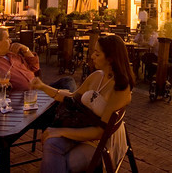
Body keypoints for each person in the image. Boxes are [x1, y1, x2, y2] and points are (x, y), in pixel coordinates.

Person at [34, 35, 135, 172]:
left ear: (110, 58)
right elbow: (72, 97)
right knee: (51, 143)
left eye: (97, 53)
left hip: (102, 143)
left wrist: (60, 130)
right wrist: (42, 86)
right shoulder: (97, 76)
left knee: (62, 162)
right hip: (82, 129)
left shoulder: (120, 88)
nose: (92, 56)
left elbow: (100, 132)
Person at [0, 27, 75, 93]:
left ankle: (71, 108)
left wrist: (27, 51)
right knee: (69, 97)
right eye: (7, 38)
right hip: (22, 100)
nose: (10, 41)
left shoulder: (12, 55)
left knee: (67, 81)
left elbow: (35, 69)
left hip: (40, 90)